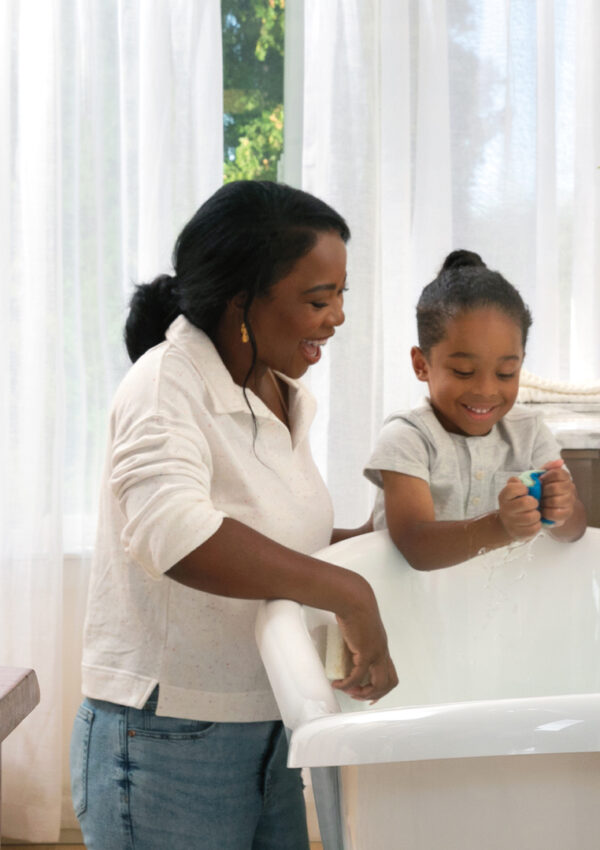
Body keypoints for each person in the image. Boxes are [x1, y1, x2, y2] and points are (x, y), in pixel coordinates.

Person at [70, 180, 398, 850]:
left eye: (341, 295)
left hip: (269, 722)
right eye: (318, 298)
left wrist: (372, 543)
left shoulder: (273, 391)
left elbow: (275, 538)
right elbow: (177, 534)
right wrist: (347, 591)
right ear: (242, 299)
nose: (337, 317)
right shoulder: (166, 383)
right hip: (170, 739)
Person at [364, 249, 586, 572]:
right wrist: (501, 526)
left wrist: (561, 510)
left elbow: (576, 530)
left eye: (506, 373)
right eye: (464, 372)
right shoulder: (407, 438)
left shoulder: (529, 431)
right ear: (421, 364)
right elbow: (415, 544)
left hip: (490, 607)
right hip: (407, 606)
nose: (485, 390)